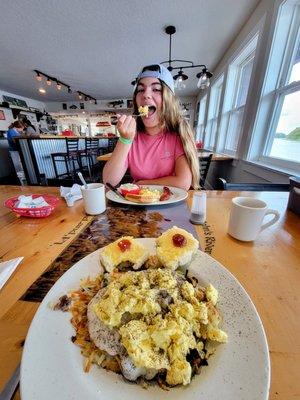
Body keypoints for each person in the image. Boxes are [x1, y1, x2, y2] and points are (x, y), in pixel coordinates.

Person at [103, 64, 200, 190]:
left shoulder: (177, 136)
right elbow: (108, 181)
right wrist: (125, 139)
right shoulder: (131, 137)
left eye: (156, 89)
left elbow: (183, 182)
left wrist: (142, 184)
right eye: (140, 90)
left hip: (171, 203)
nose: (146, 95)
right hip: (138, 205)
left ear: (168, 100)